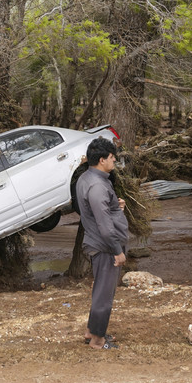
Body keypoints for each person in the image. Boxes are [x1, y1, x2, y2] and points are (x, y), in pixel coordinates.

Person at [75, 137, 128, 350]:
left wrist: (116, 205)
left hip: (99, 242)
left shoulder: (87, 178)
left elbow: (95, 209)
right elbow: (105, 225)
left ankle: (92, 331)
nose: (114, 160)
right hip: (105, 246)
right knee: (104, 295)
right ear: (102, 159)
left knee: (100, 291)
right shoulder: (97, 185)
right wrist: (117, 251)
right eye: (112, 157)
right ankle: (97, 341)